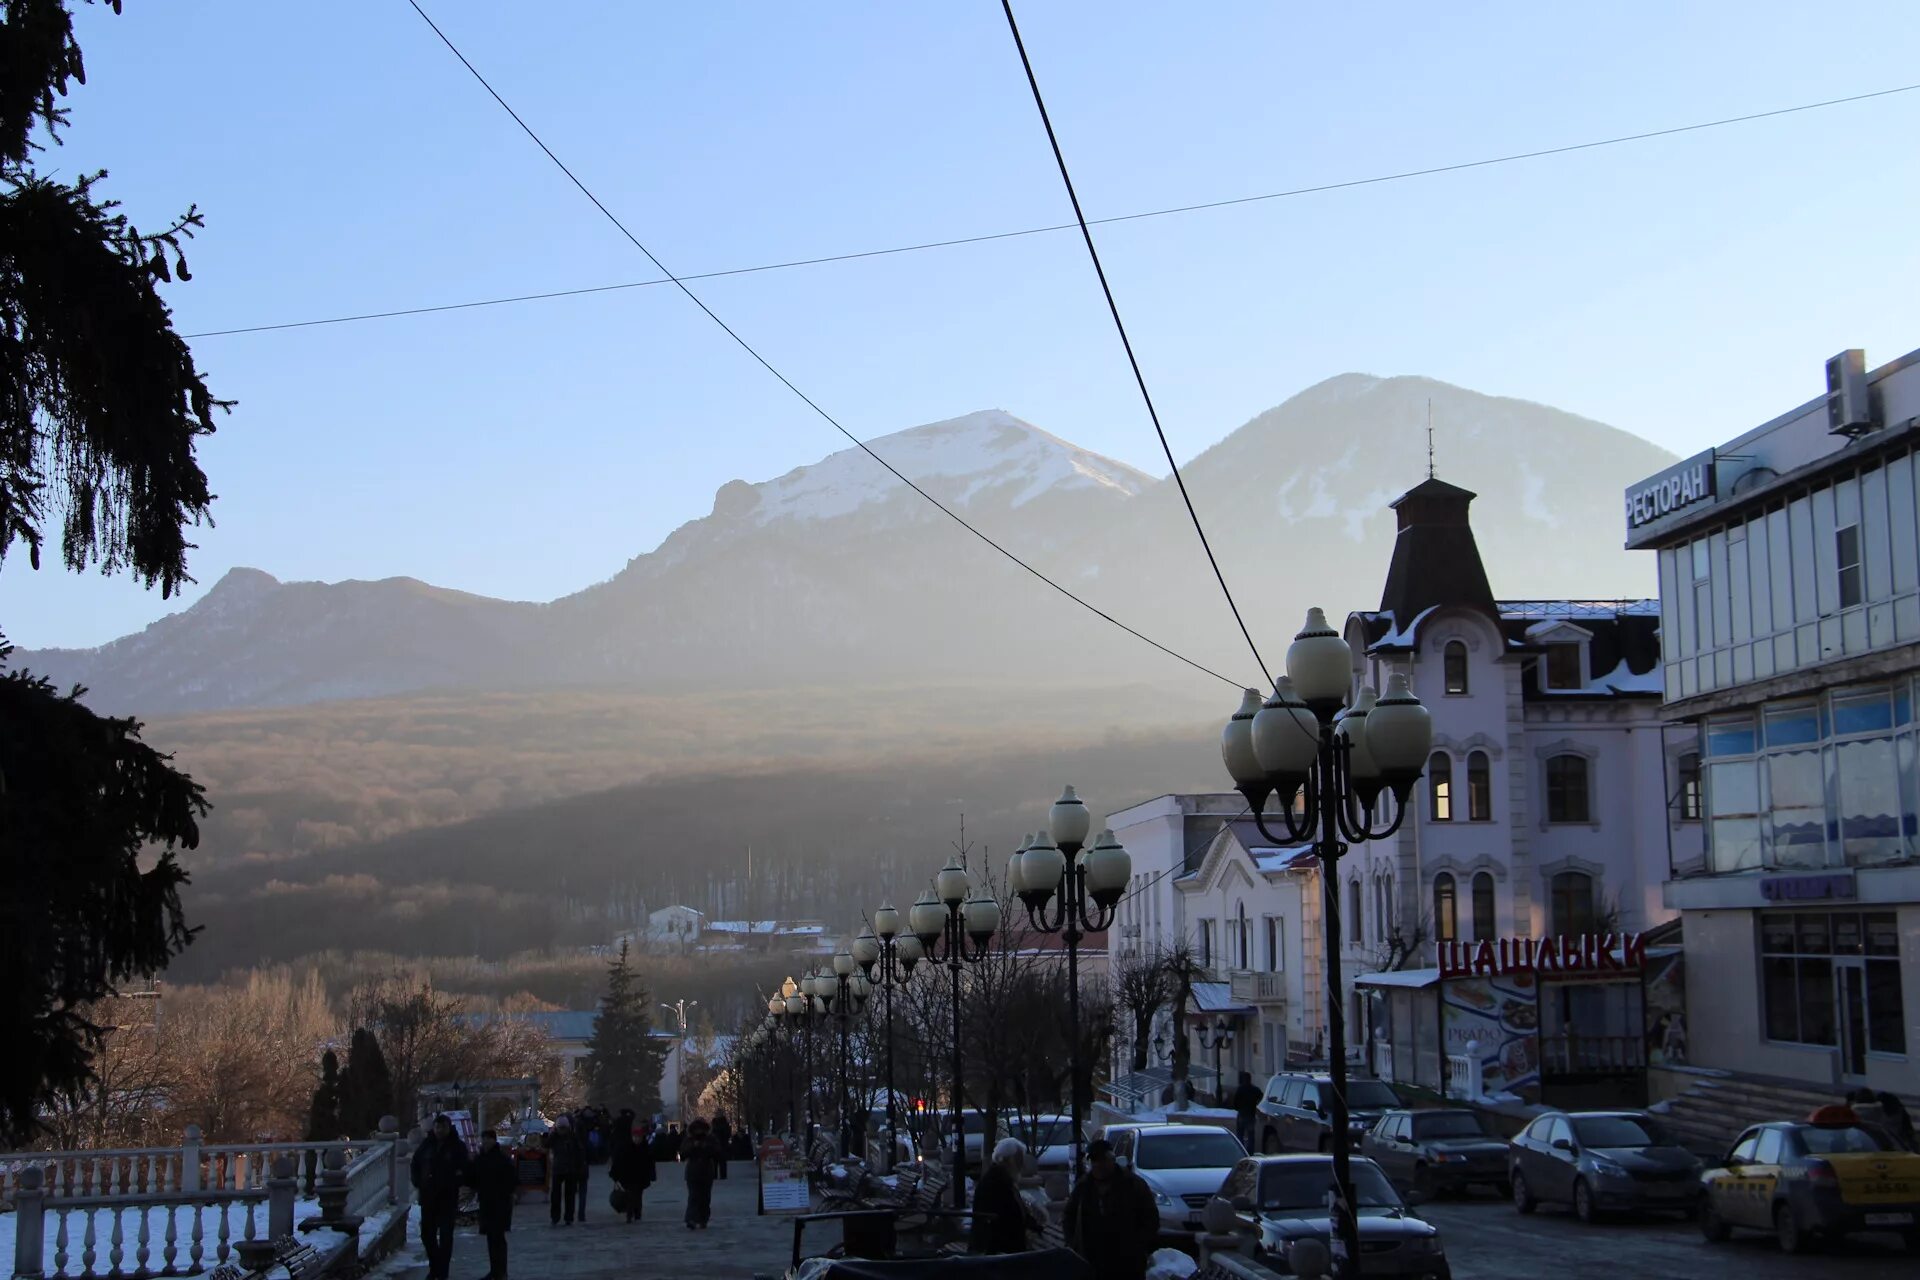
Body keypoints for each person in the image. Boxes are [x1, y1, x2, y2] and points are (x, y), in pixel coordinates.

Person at [1064, 1138, 1158, 1280]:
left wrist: (1137, 1246)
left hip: (1127, 1262)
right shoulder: (1083, 1187)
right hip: (1092, 1260)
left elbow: (1150, 1219)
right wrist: (1074, 1244)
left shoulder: (1133, 1185)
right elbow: (1069, 1216)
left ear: (1112, 1160)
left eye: (1103, 1160)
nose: (1098, 1165)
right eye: (1094, 1160)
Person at [410, 1114, 470, 1280]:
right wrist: (417, 1182)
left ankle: (442, 1272)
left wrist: (455, 1181)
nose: (439, 1130)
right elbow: (415, 1164)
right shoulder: (427, 1145)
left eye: (442, 1127)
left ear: (448, 1128)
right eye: (437, 1127)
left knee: (445, 1236)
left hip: (447, 1197)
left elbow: (465, 1168)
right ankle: (435, 1266)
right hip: (428, 1196)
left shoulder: (457, 1146)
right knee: (427, 1234)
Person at [468, 1128, 517, 1280]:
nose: (486, 1142)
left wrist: (507, 1194)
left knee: (498, 1238)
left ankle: (501, 1271)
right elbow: (473, 1179)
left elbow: (511, 1179)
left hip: (500, 1202)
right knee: (491, 1237)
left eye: (488, 1139)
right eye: (484, 1139)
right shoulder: (480, 1159)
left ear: (494, 1140)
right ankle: (494, 1270)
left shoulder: (502, 1158)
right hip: (486, 1202)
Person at [970, 1137, 1031, 1255]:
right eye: (1019, 1159)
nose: (1021, 1165)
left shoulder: (996, 1178)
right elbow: (1011, 1218)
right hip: (999, 1250)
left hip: (990, 1244)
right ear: (1008, 1160)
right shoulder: (999, 1183)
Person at [545, 1116, 586, 1226]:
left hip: (570, 1169)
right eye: (560, 1128)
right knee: (556, 1196)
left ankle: (568, 1217)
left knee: (569, 1195)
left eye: (563, 1128)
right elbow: (546, 1144)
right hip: (558, 1169)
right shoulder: (555, 1137)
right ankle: (556, 1216)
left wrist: (579, 1166)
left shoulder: (573, 1137)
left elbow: (580, 1152)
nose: (562, 1130)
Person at [611, 1124, 657, 1221]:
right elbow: (619, 1162)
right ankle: (631, 1213)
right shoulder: (626, 1148)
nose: (636, 1139)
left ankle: (636, 1213)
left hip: (640, 1177)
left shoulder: (645, 1148)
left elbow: (650, 1163)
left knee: (638, 1196)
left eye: (638, 1137)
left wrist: (651, 1175)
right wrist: (615, 1174)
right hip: (628, 1176)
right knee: (631, 1195)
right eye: (635, 1137)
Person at [680, 1118, 721, 1229]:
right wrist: (694, 1147)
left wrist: (705, 1147)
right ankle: (692, 1218)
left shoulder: (710, 1139)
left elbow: (717, 1152)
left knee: (704, 1197)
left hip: (706, 1171)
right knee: (694, 1196)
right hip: (693, 1171)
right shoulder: (689, 1139)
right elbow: (683, 1153)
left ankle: (702, 1219)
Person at [1231, 1071, 1262, 1150]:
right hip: (1251, 1114)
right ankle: (1250, 1151)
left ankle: (1241, 1150)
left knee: (1240, 1134)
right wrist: (1256, 1105)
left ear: (1243, 1079)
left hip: (1242, 1114)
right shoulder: (1255, 1089)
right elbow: (1261, 1097)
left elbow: (1235, 1102)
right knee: (1251, 1134)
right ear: (1250, 1079)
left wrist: (1238, 1108)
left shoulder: (1240, 1089)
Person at [710, 1112, 733, 1180]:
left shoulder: (715, 1125)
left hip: (718, 1146)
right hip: (721, 1146)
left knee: (717, 1162)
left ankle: (716, 1175)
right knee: (721, 1162)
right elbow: (728, 1135)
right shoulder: (724, 1125)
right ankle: (722, 1175)